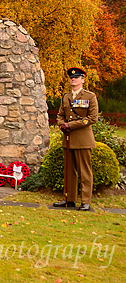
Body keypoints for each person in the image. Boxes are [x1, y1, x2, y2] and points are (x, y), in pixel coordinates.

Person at [53, 67, 98, 211]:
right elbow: (60, 115)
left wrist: (70, 125)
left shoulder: (90, 97)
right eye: (72, 77)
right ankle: (69, 199)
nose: (73, 79)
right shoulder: (66, 97)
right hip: (68, 139)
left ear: (83, 80)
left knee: (85, 171)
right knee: (69, 172)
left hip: (83, 139)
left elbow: (92, 118)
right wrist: (61, 124)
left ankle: (85, 201)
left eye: (77, 77)